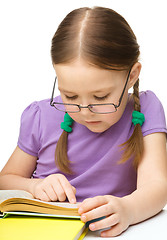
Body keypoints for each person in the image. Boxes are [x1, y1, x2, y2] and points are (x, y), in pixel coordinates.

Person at [0, 6, 167, 237]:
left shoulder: (146, 109)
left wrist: (129, 209)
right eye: (70, 96)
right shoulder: (40, 115)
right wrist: (35, 186)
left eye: (100, 97)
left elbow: (157, 185)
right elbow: (5, 180)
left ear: (132, 75)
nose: (86, 111)